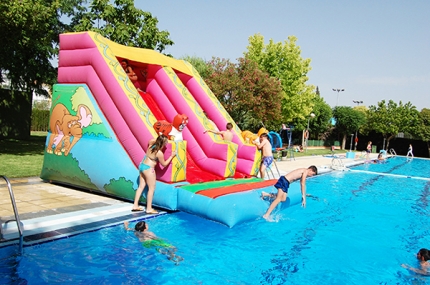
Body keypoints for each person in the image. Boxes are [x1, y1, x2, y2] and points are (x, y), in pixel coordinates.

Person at [132, 135, 176, 213]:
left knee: (141, 186)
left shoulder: (151, 145)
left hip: (142, 166)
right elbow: (164, 164)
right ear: (163, 143)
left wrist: (160, 137)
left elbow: (152, 140)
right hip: (149, 169)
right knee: (151, 189)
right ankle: (149, 208)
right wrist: (171, 156)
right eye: (166, 143)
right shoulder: (159, 153)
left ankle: (135, 205)